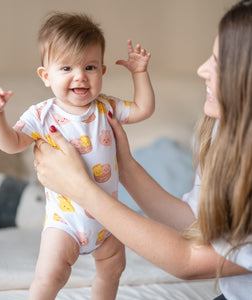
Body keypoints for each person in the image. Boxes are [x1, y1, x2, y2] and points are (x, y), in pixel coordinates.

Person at [32, 1, 252, 299]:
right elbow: (196, 222)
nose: (201, 70)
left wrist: (79, 188)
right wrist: (125, 166)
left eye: (220, 61)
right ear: (45, 75)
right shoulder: (220, 130)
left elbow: (189, 260)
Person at [0, 12, 155, 300]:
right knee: (50, 276)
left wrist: (140, 73)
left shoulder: (106, 106)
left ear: (101, 70)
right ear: (46, 76)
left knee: (113, 269)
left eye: (89, 67)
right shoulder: (41, 114)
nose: (80, 76)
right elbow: (11, 143)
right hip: (65, 223)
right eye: (66, 68)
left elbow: (142, 109)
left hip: (107, 220)